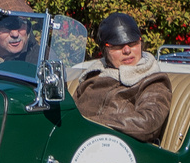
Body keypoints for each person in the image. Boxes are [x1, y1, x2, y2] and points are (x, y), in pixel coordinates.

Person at [69, 12, 172, 143]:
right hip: (77, 142)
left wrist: (91, 123)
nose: (127, 50)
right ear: (105, 49)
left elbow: (147, 124)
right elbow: (71, 110)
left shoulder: (152, 81)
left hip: (120, 151)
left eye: (133, 43)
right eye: (118, 46)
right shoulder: (93, 75)